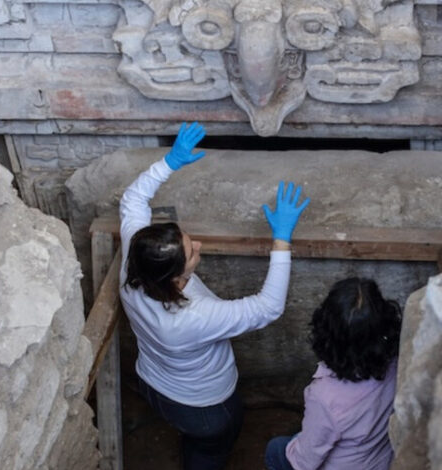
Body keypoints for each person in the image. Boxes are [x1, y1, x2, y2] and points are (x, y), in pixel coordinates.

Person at [119, 121, 310, 470]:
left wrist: (169, 162)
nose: (199, 245)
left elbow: (133, 199)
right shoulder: (192, 318)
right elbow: (268, 307)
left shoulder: (135, 263)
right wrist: (281, 239)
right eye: (191, 252)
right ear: (177, 277)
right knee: (212, 446)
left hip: (152, 380)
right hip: (203, 406)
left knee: (196, 438)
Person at [265, 277, 402, 470]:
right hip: (381, 459)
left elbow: (303, 463)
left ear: (328, 332)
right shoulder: (398, 359)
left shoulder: (324, 397)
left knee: (275, 449)